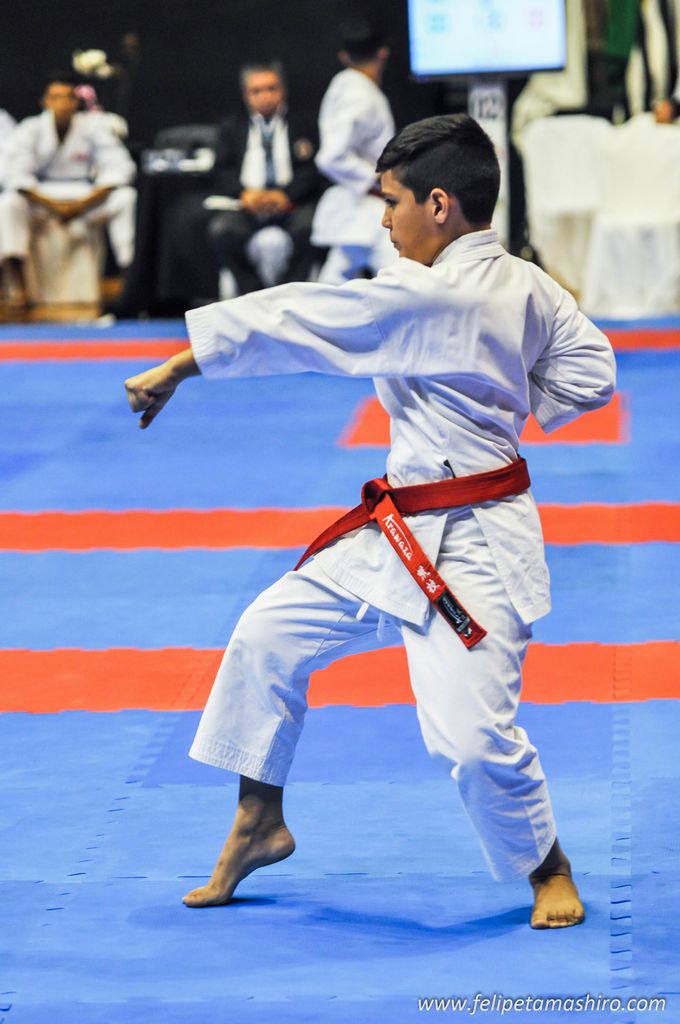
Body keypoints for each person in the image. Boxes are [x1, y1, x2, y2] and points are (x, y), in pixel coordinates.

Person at [125, 114, 616, 929]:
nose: (383, 220)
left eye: (391, 202)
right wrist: (513, 390)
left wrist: (182, 363)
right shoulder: (528, 282)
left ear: (439, 204)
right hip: (394, 531)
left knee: (470, 743)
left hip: (476, 548)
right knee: (266, 635)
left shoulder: (424, 295)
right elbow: (593, 372)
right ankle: (259, 818)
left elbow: (298, 319)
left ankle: (549, 866)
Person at [0, 72, 136, 310]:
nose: (62, 103)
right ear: (45, 101)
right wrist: (53, 204)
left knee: (126, 197)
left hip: (84, 196)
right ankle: (19, 287)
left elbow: (120, 167)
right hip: (41, 197)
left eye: (68, 98)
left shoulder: (94, 126)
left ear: (76, 102)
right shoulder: (31, 128)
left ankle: (129, 275)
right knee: (9, 203)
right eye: (56, 97)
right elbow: (13, 173)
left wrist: (84, 203)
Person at [206, 60, 324, 295]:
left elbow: (313, 169)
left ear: (283, 90)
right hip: (247, 205)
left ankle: (290, 292)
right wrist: (244, 194)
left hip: (291, 204)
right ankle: (253, 293)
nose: (265, 96)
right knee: (221, 230)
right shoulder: (231, 127)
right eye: (256, 91)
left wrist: (286, 194)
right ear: (246, 94)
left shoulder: (304, 124)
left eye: (271, 88)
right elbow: (221, 170)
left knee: (312, 226)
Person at [311, 19, 397, 283]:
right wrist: (377, 181)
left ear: (344, 56)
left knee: (335, 282)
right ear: (383, 53)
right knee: (403, 278)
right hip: (366, 208)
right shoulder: (359, 94)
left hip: (359, 210)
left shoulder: (344, 85)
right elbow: (331, 156)